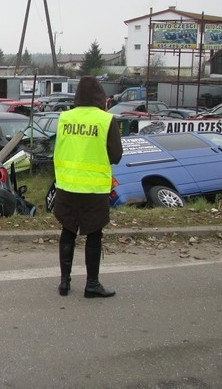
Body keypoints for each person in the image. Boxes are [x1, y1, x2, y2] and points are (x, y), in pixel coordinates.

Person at [52, 76, 123, 298]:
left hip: (67, 185)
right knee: (94, 233)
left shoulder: (64, 117)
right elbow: (116, 155)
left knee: (67, 230)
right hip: (94, 188)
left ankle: (65, 283)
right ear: (100, 96)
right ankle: (91, 284)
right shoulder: (105, 120)